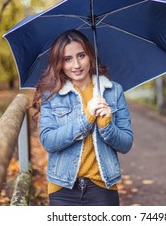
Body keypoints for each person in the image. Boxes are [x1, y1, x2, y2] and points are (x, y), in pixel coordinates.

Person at [31, 29, 133, 206]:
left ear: (90, 56)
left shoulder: (113, 91)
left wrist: (106, 126)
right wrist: (86, 118)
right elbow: (48, 141)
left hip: (102, 186)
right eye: (67, 59)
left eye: (81, 55)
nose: (76, 65)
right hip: (63, 188)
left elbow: (126, 143)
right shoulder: (51, 96)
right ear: (59, 63)